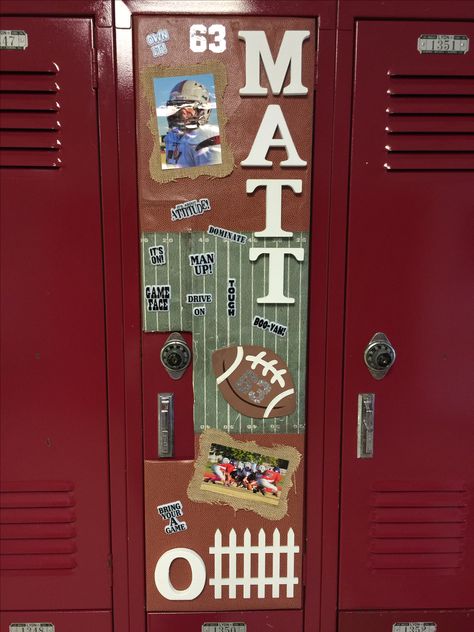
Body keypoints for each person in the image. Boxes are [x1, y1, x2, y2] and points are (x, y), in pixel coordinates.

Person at [166, 79, 221, 167]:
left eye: (187, 106)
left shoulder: (207, 137)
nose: (179, 112)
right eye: (175, 106)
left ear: (202, 110)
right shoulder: (173, 136)